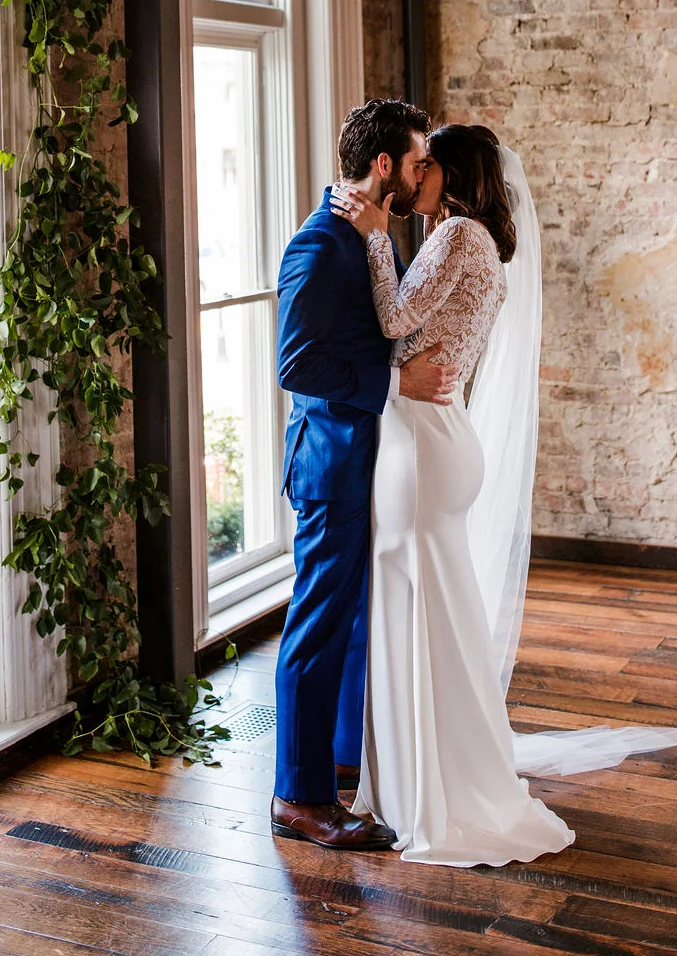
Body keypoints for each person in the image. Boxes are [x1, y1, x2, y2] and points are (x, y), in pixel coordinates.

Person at [331, 123, 677, 866]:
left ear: (449, 175)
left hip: (423, 440)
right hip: (440, 432)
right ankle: (429, 768)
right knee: (434, 608)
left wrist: (368, 233)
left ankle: (430, 784)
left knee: (418, 605)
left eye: (426, 165)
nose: (415, 176)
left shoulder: (457, 233)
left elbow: (395, 319)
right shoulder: (483, 241)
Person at [270, 100, 460, 851]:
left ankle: (345, 761)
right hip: (330, 462)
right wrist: (394, 385)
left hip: (372, 460)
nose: (422, 177)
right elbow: (297, 365)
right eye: (416, 163)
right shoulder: (316, 248)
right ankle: (299, 796)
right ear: (383, 166)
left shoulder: (371, 237)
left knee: (354, 621)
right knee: (317, 625)